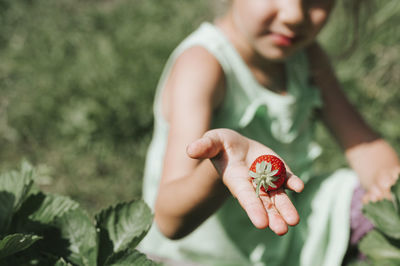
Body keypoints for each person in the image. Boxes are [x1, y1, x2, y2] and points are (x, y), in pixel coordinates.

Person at [139, 0, 400, 265]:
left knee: (356, 195)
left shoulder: (308, 57)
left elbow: (363, 145)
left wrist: (389, 185)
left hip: (282, 236)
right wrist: (221, 168)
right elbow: (169, 221)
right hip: (201, 256)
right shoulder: (202, 65)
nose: (294, 15)